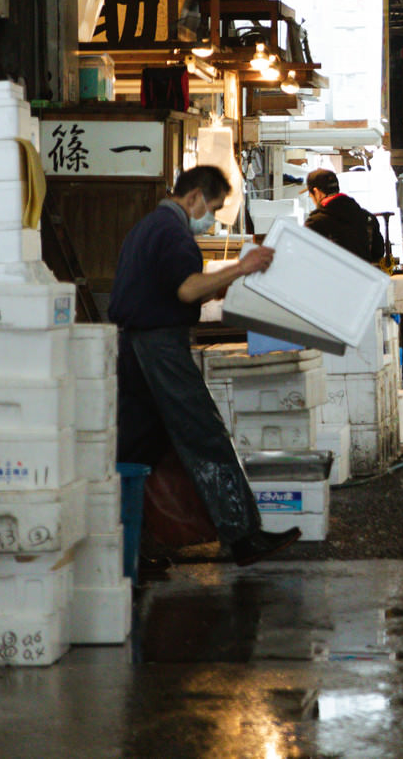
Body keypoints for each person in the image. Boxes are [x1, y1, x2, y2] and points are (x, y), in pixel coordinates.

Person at [110, 165, 301, 566]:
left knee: (139, 447)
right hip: (159, 347)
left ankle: (127, 548)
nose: (210, 219)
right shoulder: (172, 232)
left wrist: (226, 284)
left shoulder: (145, 228)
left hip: (131, 346)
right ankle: (243, 535)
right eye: (212, 208)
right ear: (194, 196)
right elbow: (186, 288)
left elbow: (169, 287)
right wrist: (241, 268)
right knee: (204, 435)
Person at [303, 168, 384, 264]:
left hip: (331, 278)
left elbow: (307, 260)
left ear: (317, 192)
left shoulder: (314, 223)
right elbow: (378, 254)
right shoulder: (368, 218)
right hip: (363, 278)